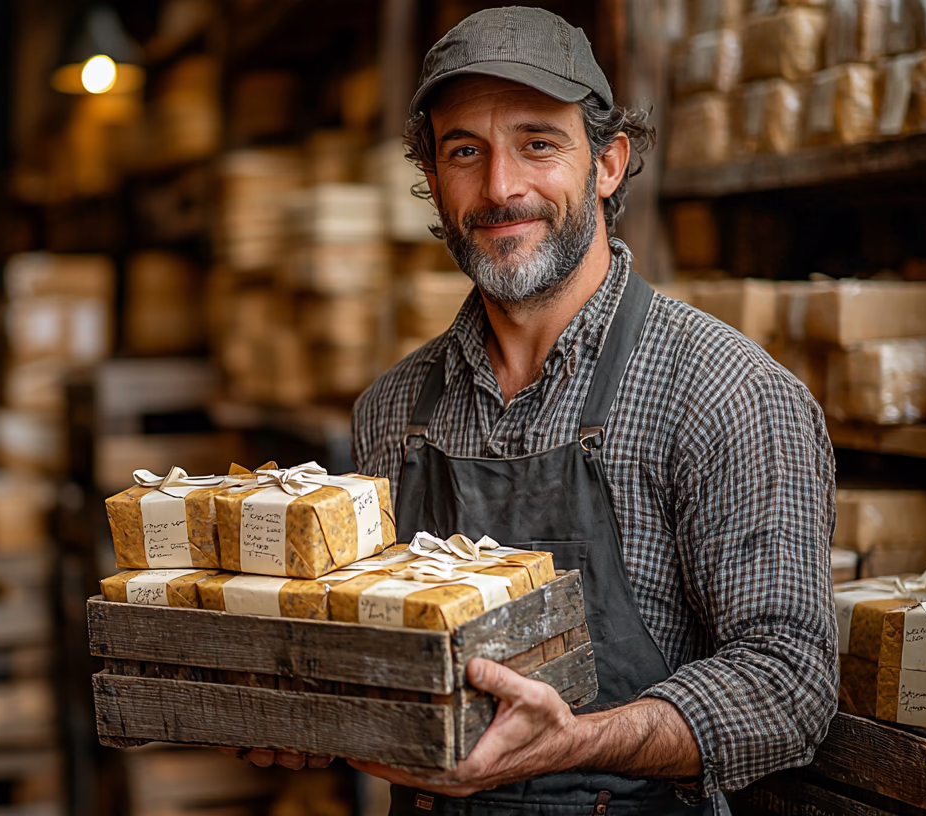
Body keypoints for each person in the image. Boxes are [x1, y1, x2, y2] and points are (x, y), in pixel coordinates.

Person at [306, 7, 835, 815]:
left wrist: (578, 741)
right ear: (432, 176)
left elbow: (788, 682)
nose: (500, 188)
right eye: (464, 152)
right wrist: (300, 706)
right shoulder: (392, 413)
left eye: (538, 143)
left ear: (609, 164)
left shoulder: (725, 392)